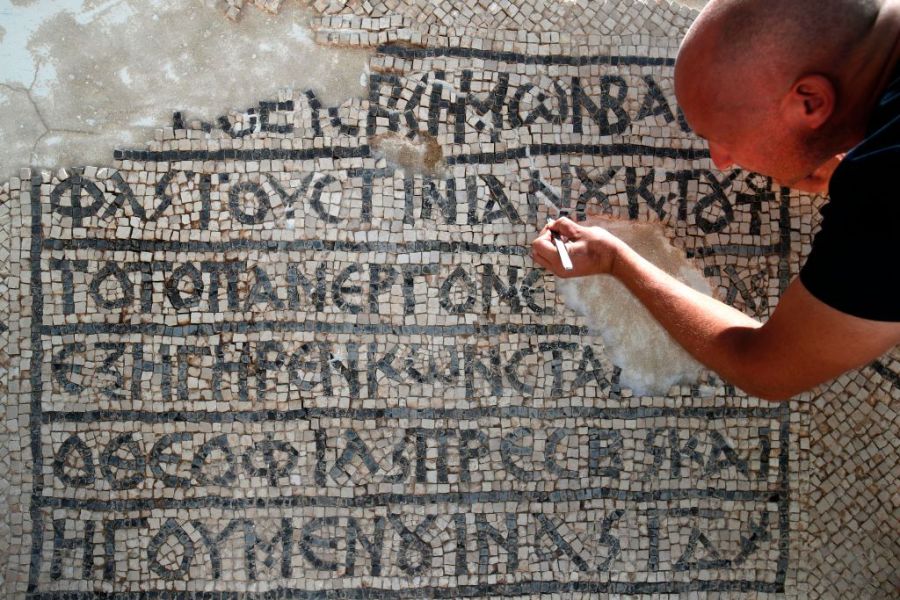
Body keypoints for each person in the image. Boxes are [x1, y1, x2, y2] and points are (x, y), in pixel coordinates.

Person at [531, 0, 900, 401]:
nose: (721, 162)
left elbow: (766, 366)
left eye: (720, 136)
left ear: (809, 101)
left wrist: (617, 261)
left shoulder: (885, 189)